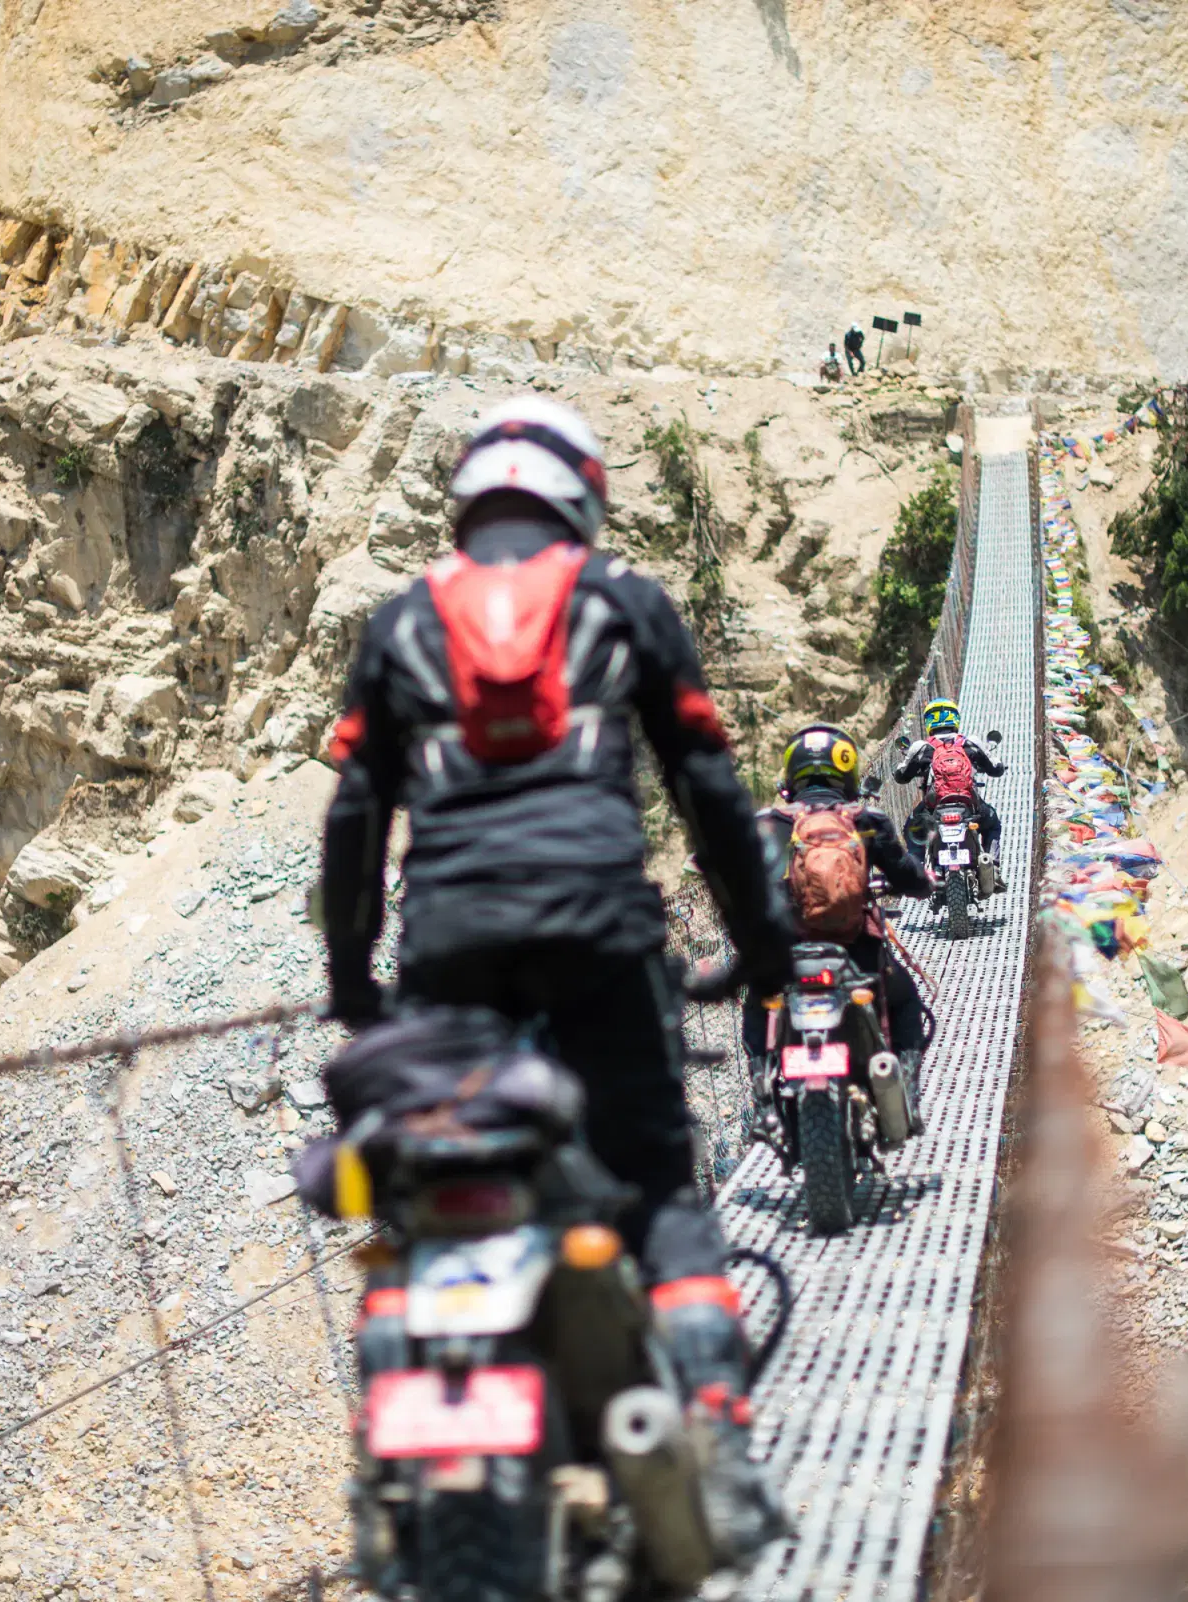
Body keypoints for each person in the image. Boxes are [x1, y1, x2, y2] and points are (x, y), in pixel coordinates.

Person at [318, 394, 794, 1564]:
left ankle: (399, 1445)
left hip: (446, 957)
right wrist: (764, 942)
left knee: (422, 1188)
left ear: (468, 502)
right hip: (602, 941)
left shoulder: (397, 623)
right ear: (581, 496)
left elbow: (354, 818)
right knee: (660, 1192)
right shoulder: (624, 603)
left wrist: (356, 986)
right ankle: (719, 1447)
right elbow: (713, 796)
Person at [742, 724, 934, 1075]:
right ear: (848, 773)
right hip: (856, 949)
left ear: (791, 774)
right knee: (905, 1000)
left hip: (783, 953)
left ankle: (762, 1090)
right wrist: (924, 886)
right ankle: (904, 1086)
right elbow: (906, 875)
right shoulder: (865, 820)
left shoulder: (766, 824)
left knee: (757, 1003)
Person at [892, 698, 1008, 894]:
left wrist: (905, 764)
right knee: (992, 822)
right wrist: (995, 762)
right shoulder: (969, 742)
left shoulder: (921, 747)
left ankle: (917, 872)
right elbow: (995, 769)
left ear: (928, 721)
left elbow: (901, 777)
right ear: (955, 717)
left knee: (911, 828)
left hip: (934, 808)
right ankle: (993, 866)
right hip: (969, 805)